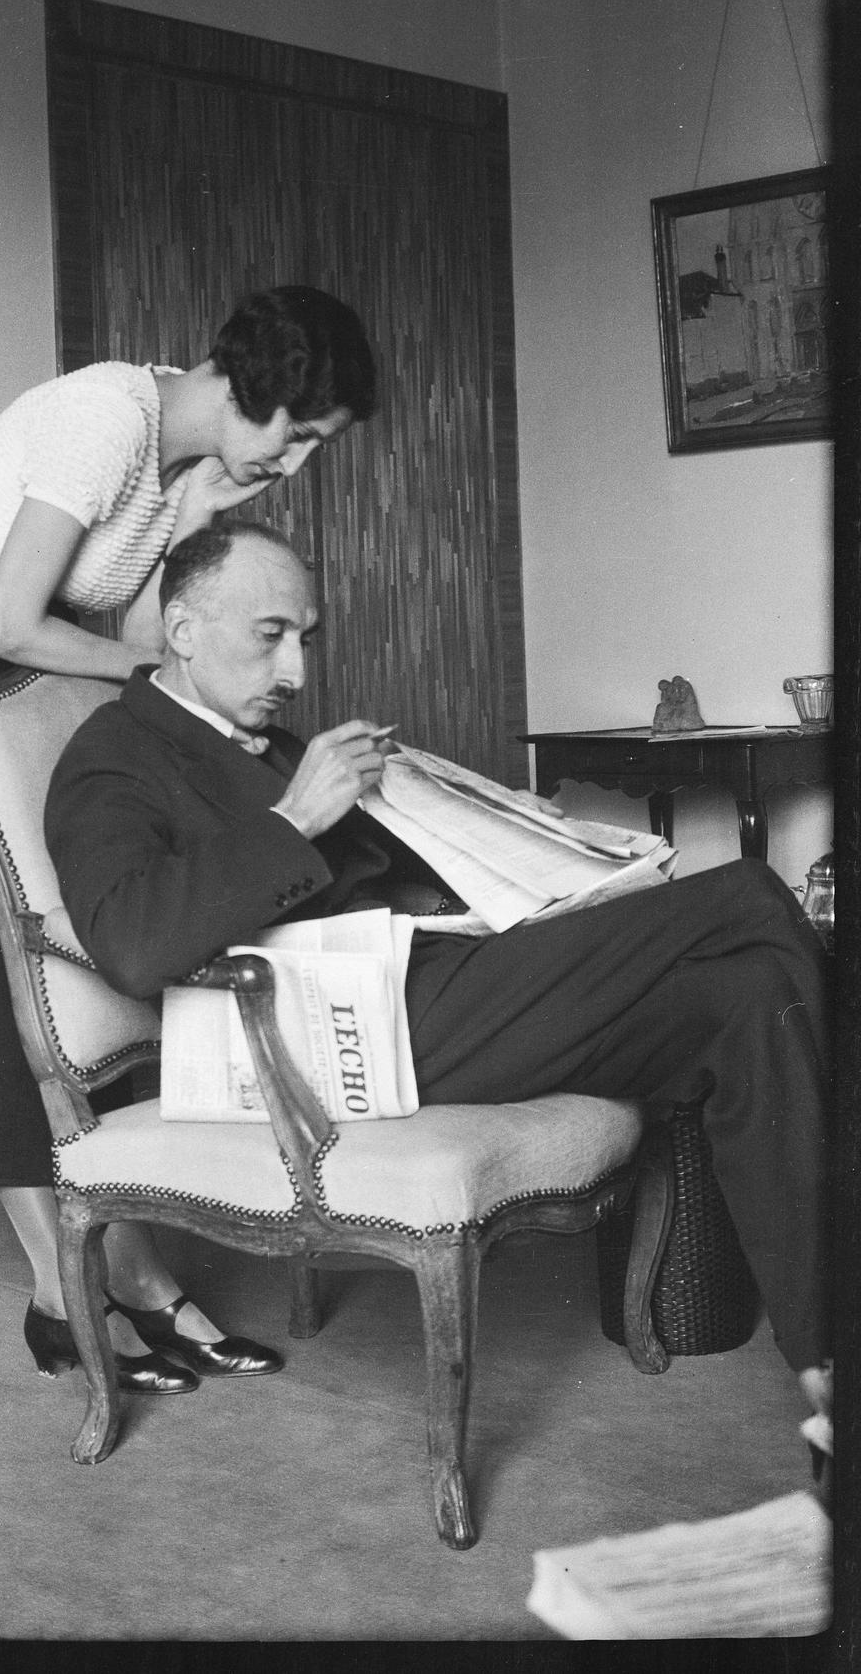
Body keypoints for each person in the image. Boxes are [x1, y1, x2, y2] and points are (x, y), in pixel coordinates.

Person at [44, 520, 832, 1434]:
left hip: (437, 978)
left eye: (303, 636)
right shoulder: (114, 753)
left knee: (745, 994)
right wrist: (294, 817)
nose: (295, 666)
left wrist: (527, 843)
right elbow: (130, 944)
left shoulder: (271, 742)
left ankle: (823, 1355)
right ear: (181, 629)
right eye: (270, 635)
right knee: (746, 895)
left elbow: (396, 873)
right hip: (339, 1033)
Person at [0, 289, 377, 1396]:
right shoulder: (105, 418)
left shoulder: (181, 463)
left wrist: (199, 509)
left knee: (62, 977)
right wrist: (146, 679)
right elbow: (6, 622)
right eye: (298, 431)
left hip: (24, 687)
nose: (294, 461)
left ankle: (133, 1279)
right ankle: (66, 1292)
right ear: (255, 387)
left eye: (315, 447)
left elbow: (144, 633)